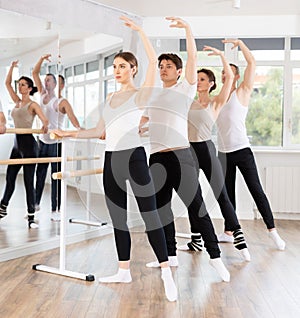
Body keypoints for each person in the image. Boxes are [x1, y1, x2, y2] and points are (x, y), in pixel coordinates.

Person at [53, 16, 177, 302]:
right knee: (118, 218)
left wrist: (140, 32)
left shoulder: (140, 93)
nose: (117, 70)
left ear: (133, 69)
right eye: (115, 67)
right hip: (111, 159)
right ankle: (123, 270)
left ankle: (166, 271)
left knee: (150, 216)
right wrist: (67, 133)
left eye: (123, 66)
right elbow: (98, 131)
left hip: (134, 158)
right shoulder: (109, 100)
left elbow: (152, 59)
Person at [139, 18, 230, 282]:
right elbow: (143, 123)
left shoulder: (185, 87)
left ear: (179, 72)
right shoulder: (154, 94)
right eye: (161, 66)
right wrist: (138, 128)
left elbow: (192, 56)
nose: (164, 69)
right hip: (156, 157)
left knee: (197, 208)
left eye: (169, 66)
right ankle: (168, 257)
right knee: (162, 209)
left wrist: (188, 29)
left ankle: (215, 258)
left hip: (181, 156)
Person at [177, 45, 250, 261]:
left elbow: (229, 78)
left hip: (206, 149)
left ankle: (240, 239)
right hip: (188, 150)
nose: (198, 82)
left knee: (221, 194)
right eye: (196, 78)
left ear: (211, 84)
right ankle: (195, 240)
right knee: (193, 196)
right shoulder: (187, 102)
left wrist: (221, 56)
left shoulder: (217, 101)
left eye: (202, 79)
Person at [216, 39, 285, 250]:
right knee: (227, 195)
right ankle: (229, 231)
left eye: (229, 71)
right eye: (222, 72)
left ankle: (273, 231)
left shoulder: (242, 92)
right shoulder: (217, 97)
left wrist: (239, 43)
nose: (224, 75)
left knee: (256, 190)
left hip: (242, 151)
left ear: (236, 76)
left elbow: (252, 61)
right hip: (223, 153)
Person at [0, 61, 48, 228]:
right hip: (16, 146)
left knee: (28, 181)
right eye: (18, 85)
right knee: (10, 177)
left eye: (22, 85)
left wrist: (44, 127)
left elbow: (44, 119)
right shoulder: (17, 102)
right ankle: (3, 207)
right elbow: (7, 83)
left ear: (29, 88)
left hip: (29, 146)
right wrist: (11, 67)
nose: (19, 88)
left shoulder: (32, 104)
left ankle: (31, 217)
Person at [32, 56, 81, 221]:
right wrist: (42, 59)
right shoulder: (41, 95)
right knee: (39, 175)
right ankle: (35, 205)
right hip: (42, 141)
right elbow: (34, 72)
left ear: (58, 85)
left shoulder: (61, 102)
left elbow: (74, 120)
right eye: (45, 80)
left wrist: (81, 130)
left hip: (56, 143)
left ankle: (55, 210)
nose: (46, 83)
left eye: (49, 81)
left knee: (56, 177)